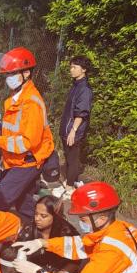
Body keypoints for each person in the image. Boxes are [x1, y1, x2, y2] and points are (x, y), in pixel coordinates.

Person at [0, 47, 55, 222]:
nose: (8, 79)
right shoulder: (15, 99)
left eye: (12, 73)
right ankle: (52, 229)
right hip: (15, 160)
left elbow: (26, 142)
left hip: (26, 162)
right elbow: (13, 130)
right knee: (24, 204)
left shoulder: (31, 102)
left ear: (27, 73)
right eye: (6, 75)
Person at [0, 192, 94, 273]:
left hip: (58, 272)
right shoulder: (28, 230)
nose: (37, 218)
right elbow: (16, 257)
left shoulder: (67, 232)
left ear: (55, 216)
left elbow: (76, 261)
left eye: (43, 216)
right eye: (36, 214)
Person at [60, 56, 93, 192]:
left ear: (84, 69)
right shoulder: (76, 85)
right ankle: (69, 183)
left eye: (74, 67)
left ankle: (69, 189)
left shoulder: (84, 89)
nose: (71, 70)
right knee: (68, 157)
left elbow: (82, 112)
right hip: (66, 129)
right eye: (71, 66)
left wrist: (73, 131)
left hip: (74, 131)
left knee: (73, 159)